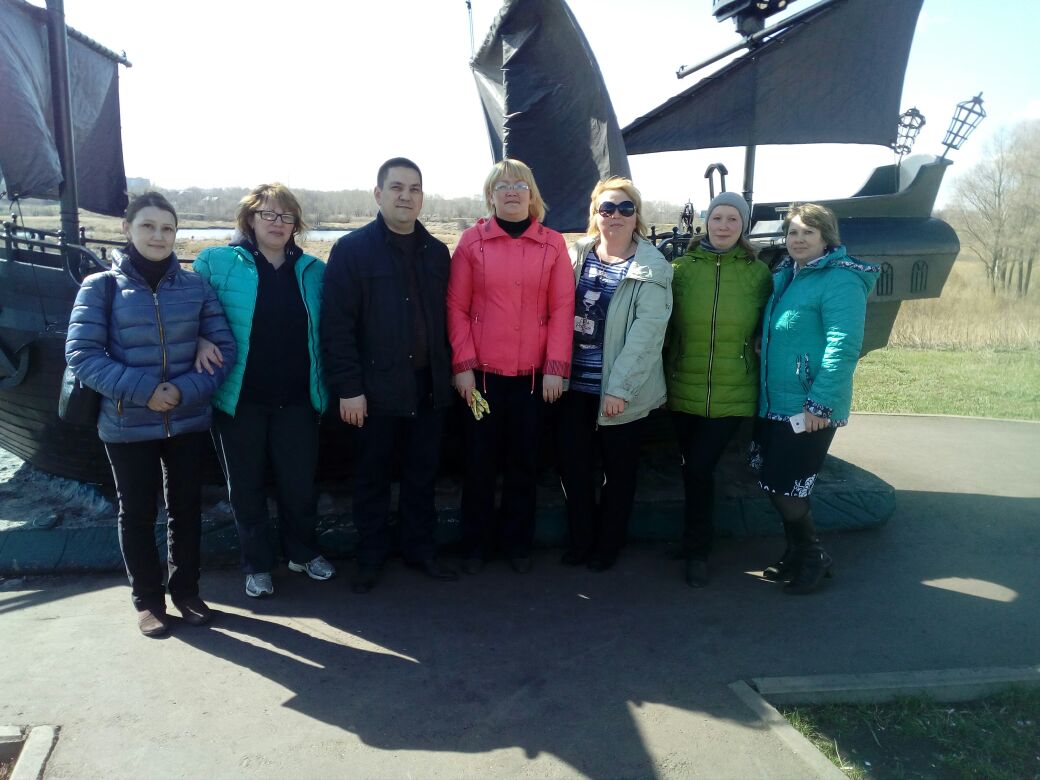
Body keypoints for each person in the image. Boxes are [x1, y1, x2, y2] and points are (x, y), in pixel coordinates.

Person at [65, 192, 235, 637]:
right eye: (148, 226)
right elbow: (82, 354)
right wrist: (146, 392)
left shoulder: (196, 287)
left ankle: (186, 592)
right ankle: (148, 600)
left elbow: (224, 349)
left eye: (167, 228)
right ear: (127, 229)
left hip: (186, 419)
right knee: (137, 512)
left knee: (186, 509)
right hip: (127, 422)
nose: (158, 236)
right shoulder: (100, 287)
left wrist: (180, 391)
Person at [322, 157, 457, 593]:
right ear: (378, 194)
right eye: (397, 187)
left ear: (422, 197)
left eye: (414, 188)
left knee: (422, 474)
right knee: (372, 476)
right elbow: (337, 326)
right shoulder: (352, 250)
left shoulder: (436, 252)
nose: (406, 195)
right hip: (373, 389)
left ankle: (420, 550)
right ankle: (371, 557)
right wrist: (348, 388)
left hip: (427, 386)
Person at [193, 183, 333, 600]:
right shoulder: (216, 262)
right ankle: (257, 564)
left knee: (299, 483)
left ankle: (302, 552)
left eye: (286, 216)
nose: (278, 223)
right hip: (241, 399)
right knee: (246, 487)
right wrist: (199, 340)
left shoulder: (313, 271)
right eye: (268, 214)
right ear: (250, 219)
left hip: (298, 398)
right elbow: (190, 310)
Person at [447, 158, 575, 574]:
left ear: (532, 193)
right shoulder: (472, 242)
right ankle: (475, 546)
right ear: (491, 195)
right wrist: (463, 366)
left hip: (534, 379)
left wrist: (556, 366)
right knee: (478, 464)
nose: (512, 192)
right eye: (502, 185)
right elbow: (456, 307)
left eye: (520, 184)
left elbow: (562, 308)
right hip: (482, 379)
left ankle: (518, 545)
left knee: (524, 463)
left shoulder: (552, 244)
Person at [750, 202, 879, 594]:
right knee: (775, 482)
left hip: (809, 407)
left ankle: (813, 556)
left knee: (787, 487)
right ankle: (796, 553)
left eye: (808, 232)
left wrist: (819, 403)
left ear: (826, 238)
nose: (799, 239)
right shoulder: (787, 276)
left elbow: (843, 345)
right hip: (775, 401)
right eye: (793, 232)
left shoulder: (840, 280)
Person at [557, 177, 672, 572]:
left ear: (636, 215)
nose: (616, 216)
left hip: (622, 389)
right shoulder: (576, 255)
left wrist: (619, 388)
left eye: (625, 208)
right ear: (596, 214)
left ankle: (608, 544)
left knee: (618, 473)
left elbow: (647, 335)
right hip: (574, 386)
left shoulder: (651, 267)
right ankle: (581, 540)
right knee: (573, 469)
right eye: (607, 208)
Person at [665, 192, 771, 587]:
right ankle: (690, 539)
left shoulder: (758, 274)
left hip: (732, 390)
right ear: (706, 222)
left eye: (732, 219)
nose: (723, 226)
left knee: (699, 467)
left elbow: (771, 321)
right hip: (684, 385)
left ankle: (699, 551)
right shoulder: (681, 269)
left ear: (743, 226)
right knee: (690, 468)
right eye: (717, 218)